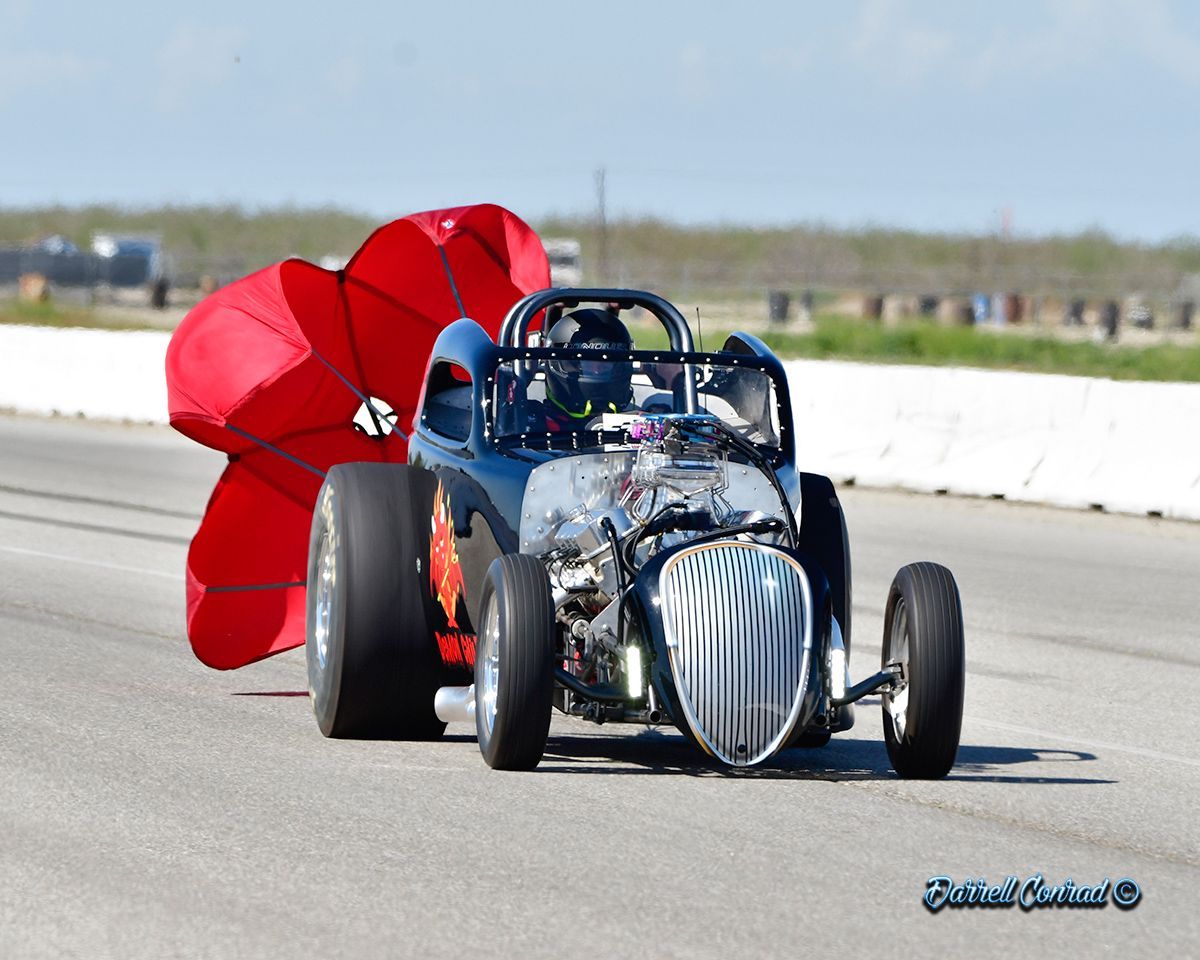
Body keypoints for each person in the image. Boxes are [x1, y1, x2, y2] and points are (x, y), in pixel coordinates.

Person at [537, 309, 635, 431]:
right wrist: (519, 382)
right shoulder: (531, 422)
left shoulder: (638, 423)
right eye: (586, 364)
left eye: (605, 363)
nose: (597, 370)